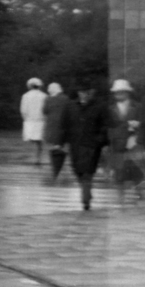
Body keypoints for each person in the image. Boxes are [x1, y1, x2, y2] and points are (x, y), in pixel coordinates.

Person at [60, 82, 109, 211]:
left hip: (92, 146)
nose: (85, 94)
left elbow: (105, 126)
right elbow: (64, 125)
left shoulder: (99, 106)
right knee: (77, 171)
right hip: (75, 145)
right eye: (82, 91)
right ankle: (86, 190)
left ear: (91, 92)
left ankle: (85, 200)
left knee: (87, 172)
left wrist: (100, 141)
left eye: (87, 92)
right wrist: (60, 143)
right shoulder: (70, 106)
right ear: (78, 93)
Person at [105, 79, 142, 200]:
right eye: (117, 92)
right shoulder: (110, 109)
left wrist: (137, 127)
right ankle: (120, 203)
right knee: (119, 176)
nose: (119, 95)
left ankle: (141, 200)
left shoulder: (137, 107)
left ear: (127, 92)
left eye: (121, 92)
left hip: (133, 146)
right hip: (117, 147)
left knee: (138, 175)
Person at [43, 83, 68, 181]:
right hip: (63, 124)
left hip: (51, 125)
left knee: (54, 145)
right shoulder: (65, 98)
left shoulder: (48, 99)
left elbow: (44, 111)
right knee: (60, 144)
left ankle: (55, 168)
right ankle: (59, 166)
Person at [20, 78, 47, 165]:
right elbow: (46, 109)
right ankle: (38, 158)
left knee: (33, 139)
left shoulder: (26, 96)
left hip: (30, 120)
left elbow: (23, 110)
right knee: (39, 141)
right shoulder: (44, 96)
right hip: (41, 120)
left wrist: (25, 119)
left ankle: (36, 158)